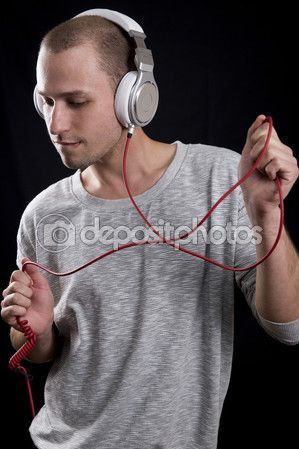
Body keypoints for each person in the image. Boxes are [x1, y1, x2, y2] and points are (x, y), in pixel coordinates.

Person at [1, 8, 299, 449]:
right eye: (46, 101)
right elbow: (43, 352)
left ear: (134, 97)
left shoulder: (222, 179)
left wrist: (267, 216)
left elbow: (287, 327)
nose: (55, 124)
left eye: (76, 102)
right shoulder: (43, 214)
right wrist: (37, 332)